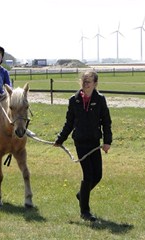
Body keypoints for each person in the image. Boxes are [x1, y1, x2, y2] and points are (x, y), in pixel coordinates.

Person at [54, 70, 112, 221]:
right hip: (80, 142)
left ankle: (82, 195)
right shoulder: (74, 100)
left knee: (98, 175)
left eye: (89, 81)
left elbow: (106, 122)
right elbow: (69, 122)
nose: (86, 84)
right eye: (84, 81)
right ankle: (84, 211)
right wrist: (60, 138)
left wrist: (107, 141)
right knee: (88, 175)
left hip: (94, 142)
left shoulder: (100, 100)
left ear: (95, 84)